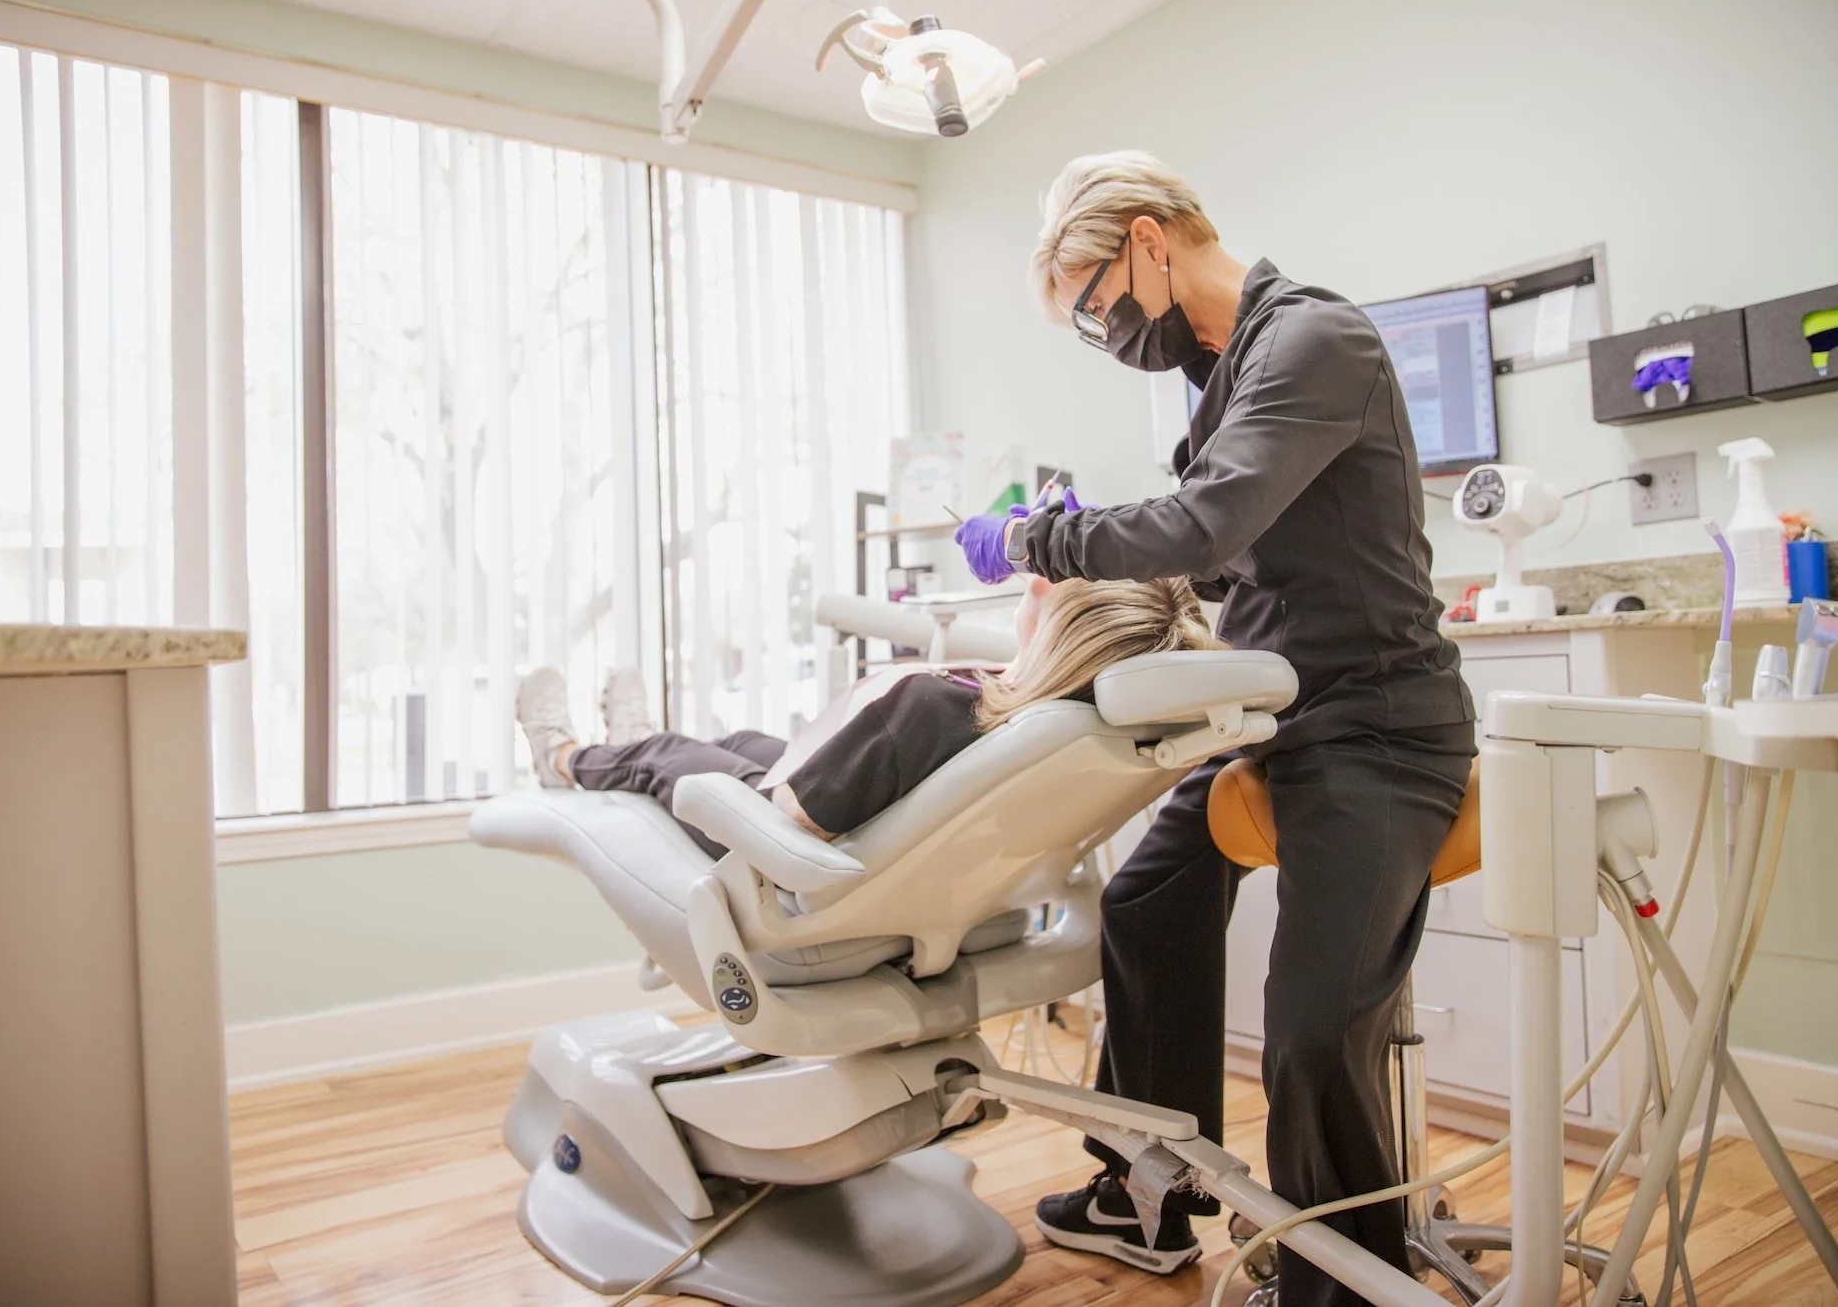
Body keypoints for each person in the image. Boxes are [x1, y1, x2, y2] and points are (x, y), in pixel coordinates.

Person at [957, 152, 1475, 1301]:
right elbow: (1241, 565)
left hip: (1379, 729)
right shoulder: (1226, 374)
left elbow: (1205, 523)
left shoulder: (1310, 339)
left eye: (1096, 302)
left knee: (1306, 1029)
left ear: (1149, 240)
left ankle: (1336, 1281)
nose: (1104, 330)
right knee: (1146, 905)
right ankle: (1148, 1190)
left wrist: (1039, 540)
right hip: (1278, 717)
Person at [516, 574, 1222, 858]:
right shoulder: (1061, 721)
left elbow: (792, 823)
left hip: (783, 844)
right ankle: (631, 744)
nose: (1036, 575)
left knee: (667, 754)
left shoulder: (938, 704)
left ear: (1065, 631)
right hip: (872, 830)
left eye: (1059, 581)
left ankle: (565, 756)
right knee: (733, 738)